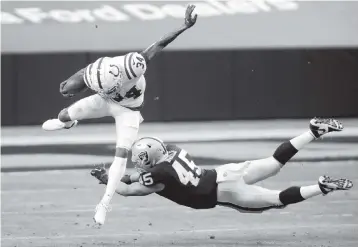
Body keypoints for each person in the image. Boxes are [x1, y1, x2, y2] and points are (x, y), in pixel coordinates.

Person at [43, 5, 198, 225]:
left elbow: (160, 44)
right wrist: (69, 86)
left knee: (121, 155)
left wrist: (184, 25)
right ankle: (67, 123)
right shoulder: (96, 74)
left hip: (129, 110)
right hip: (105, 101)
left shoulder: (132, 66)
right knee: (62, 115)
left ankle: (104, 203)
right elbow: (77, 79)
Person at [91, 118, 353, 213]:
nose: (140, 166)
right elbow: (138, 177)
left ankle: (321, 186)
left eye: (140, 161)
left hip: (222, 192)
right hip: (224, 173)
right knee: (274, 163)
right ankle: (312, 132)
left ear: (148, 159)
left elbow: (129, 189)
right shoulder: (172, 151)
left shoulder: (157, 174)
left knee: (277, 198)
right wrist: (116, 175)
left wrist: (106, 180)